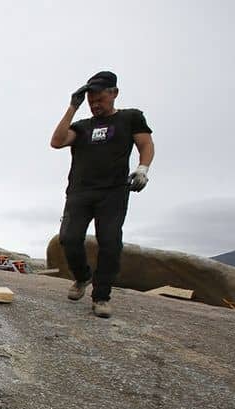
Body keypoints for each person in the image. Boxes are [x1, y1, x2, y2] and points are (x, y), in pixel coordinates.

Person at [50, 70, 155, 318]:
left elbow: (146, 144)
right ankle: (82, 277)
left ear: (114, 93)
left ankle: (101, 297)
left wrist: (143, 168)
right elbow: (57, 141)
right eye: (91, 99)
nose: (95, 103)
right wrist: (73, 107)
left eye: (100, 98)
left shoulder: (131, 118)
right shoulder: (82, 127)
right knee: (68, 237)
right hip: (80, 191)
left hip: (113, 193)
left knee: (109, 242)